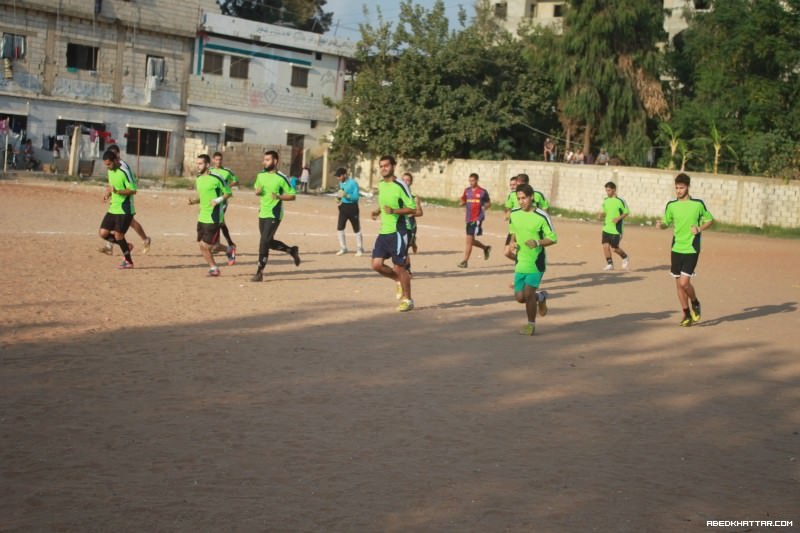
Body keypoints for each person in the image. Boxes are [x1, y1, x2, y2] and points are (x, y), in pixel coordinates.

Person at [657, 173, 714, 327]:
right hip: (676, 248)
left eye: (681, 188)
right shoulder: (671, 205)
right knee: (678, 284)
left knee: (684, 283)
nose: (679, 191)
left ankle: (695, 302)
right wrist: (661, 225)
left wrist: (699, 228)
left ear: (688, 187)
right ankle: (686, 314)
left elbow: (710, 220)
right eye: (676, 188)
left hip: (691, 248)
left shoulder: (698, 204)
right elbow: (666, 222)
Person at [509, 183, 557, 336]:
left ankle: (531, 325)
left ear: (531, 198)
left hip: (536, 262)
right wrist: (512, 242)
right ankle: (541, 297)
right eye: (518, 199)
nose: (521, 201)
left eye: (524, 198)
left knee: (529, 294)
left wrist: (537, 242)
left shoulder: (542, 216)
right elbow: (513, 232)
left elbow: (553, 238)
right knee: (520, 297)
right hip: (520, 261)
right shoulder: (514, 213)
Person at [370, 155, 416, 312]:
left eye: (386, 166)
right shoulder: (381, 185)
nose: (383, 168)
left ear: (393, 166)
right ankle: (397, 280)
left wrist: (395, 211)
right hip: (384, 231)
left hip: (398, 231)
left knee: (400, 266)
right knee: (376, 265)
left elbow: (412, 209)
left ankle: (408, 299)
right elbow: (384, 204)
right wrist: (377, 210)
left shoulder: (401, 185)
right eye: (381, 166)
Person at [251, 150, 301, 282]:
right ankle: (291, 250)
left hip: (274, 213)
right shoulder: (260, 175)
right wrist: (257, 192)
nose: (265, 162)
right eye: (264, 160)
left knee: (263, 242)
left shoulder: (282, 177)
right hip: (262, 212)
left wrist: (279, 196)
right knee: (269, 242)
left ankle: (259, 272)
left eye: (267, 160)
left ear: (275, 161)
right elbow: (257, 189)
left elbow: (292, 195)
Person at [100, 144, 152, 255]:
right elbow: (112, 183)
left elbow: (132, 186)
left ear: (118, 154)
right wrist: (108, 193)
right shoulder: (111, 167)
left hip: (126, 200)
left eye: (114, 154)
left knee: (130, 222)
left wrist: (118, 191)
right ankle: (111, 245)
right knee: (124, 223)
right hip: (116, 200)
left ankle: (145, 239)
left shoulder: (124, 167)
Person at [188, 154, 232, 277]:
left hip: (214, 217)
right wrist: (194, 201)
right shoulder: (198, 178)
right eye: (197, 163)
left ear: (207, 165)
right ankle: (229, 250)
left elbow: (228, 193)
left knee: (205, 245)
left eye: (200, 163)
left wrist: (217, 201)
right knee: (211, 246)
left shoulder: (217, 178)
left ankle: (214, 268)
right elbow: (203, 197)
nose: (198, 166)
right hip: (202, 217)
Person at [98, 150, 136, 269]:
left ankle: (129, 262)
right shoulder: (110, 171)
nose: (108, 167)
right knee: (103, 233)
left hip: (125, 209)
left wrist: (118, 191)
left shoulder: (125, 171)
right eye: (106, 165)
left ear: (115, 160)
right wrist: (108, 194)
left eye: (109, 164)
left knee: (119, 235)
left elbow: (133, 190)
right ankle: (126, 245)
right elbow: (111, 186)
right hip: (113, 207)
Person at [457, 173, 491, 268]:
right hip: (468, 218)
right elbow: (464, 200)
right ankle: (486, 248)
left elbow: (488, 203)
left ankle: (465, 261)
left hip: (477, 219)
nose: (471, 182)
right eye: (470, 180)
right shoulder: (467, 191)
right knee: (471, 241)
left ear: (477, 180)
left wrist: (484, 208)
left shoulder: (482, 192)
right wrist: (462, 203)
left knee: (468, 241)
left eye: (473, 180)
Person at [212, 151, 239, 265]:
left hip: (222, 201)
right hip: (212, 201)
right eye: (216, 159)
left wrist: (228, 186)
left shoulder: (227, 171)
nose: (218, 161)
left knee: (217, 221)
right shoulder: (210, 171)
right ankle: (230, 244)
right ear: (213, 160)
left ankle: (216, 244)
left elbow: (236, 181)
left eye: (220, 160)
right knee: (221, 223)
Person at [334, 167, 365, 256]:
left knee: (356, 228)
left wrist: (346, 195)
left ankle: (360, 248)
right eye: (337, 176)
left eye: (339, 176)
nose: (338, 178)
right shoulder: (341, 183)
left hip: (352, 208)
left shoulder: (353, 183)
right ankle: (343, 248)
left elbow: (356, 197)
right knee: (340, 228)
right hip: (343, 208)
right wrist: (338, 199)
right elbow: (341, 192)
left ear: (345, 175)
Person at [601, 181, 630, 271]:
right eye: (606, 190)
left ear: (614, 190)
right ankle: (610, 264)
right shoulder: (606, 200)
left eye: (609, 190)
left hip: (616, 229)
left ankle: (625, 257)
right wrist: (601, 215)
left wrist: (618, 218)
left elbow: (627, 212)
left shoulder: (620, 201)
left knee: (614, 248)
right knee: (605, 246)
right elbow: (606, 212)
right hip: (606, 227)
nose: (607, 192)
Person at [400, 172, 423, 254]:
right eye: (403, 180)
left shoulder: (414, 197)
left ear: (411, 182)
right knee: (401, 247)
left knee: (406, 246)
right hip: (399, 223)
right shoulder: (397, 195)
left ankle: (413, 242)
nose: (405, 182)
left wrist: (412, 213)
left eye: (408, 180)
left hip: (410, 224)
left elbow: (420, 212)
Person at [503, 175, 520, 261]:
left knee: (519, 251)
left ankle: (523, 265)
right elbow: (508, 208)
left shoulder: (526, 196)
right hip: (512, 229)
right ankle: (521, 261)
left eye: (514, 184)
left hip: (521, 228)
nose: (512, 187)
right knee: (507, 252)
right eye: (511, 185)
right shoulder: (511, 195)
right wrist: (507, 214)